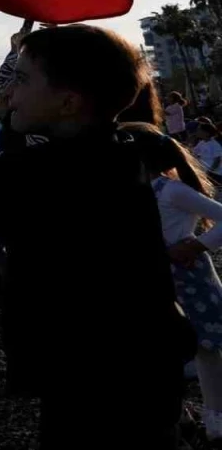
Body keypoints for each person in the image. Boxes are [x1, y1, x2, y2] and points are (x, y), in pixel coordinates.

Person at [0, 24, 192, 449]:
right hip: (131, 369)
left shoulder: (73, 170)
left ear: (68, 102)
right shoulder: (103, 153)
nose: (10, 93)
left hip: (102, 381)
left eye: (22, 80)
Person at [122, 122, 222, 441]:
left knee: (207, 347)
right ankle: (180, 416)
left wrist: (197, 245)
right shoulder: (135, 191)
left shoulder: (171, 190)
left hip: (190, 276)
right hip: (154, 279)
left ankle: (216, 417)